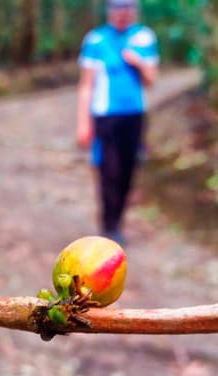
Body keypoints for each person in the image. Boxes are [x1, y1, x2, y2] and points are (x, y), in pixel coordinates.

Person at [76, 0, 159, 245]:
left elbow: (151, 80)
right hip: (105, 116)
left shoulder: (144, 38)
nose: (123, 12)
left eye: (128, 7)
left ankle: (118, 221)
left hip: (135, 115)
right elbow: (86, 86)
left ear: (135, 10)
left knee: (128, 170)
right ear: (109, 10)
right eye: (117, 7)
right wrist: (84, 123)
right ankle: (109, 224)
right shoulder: (95, 40)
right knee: (108, 169)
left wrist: (139, 62)